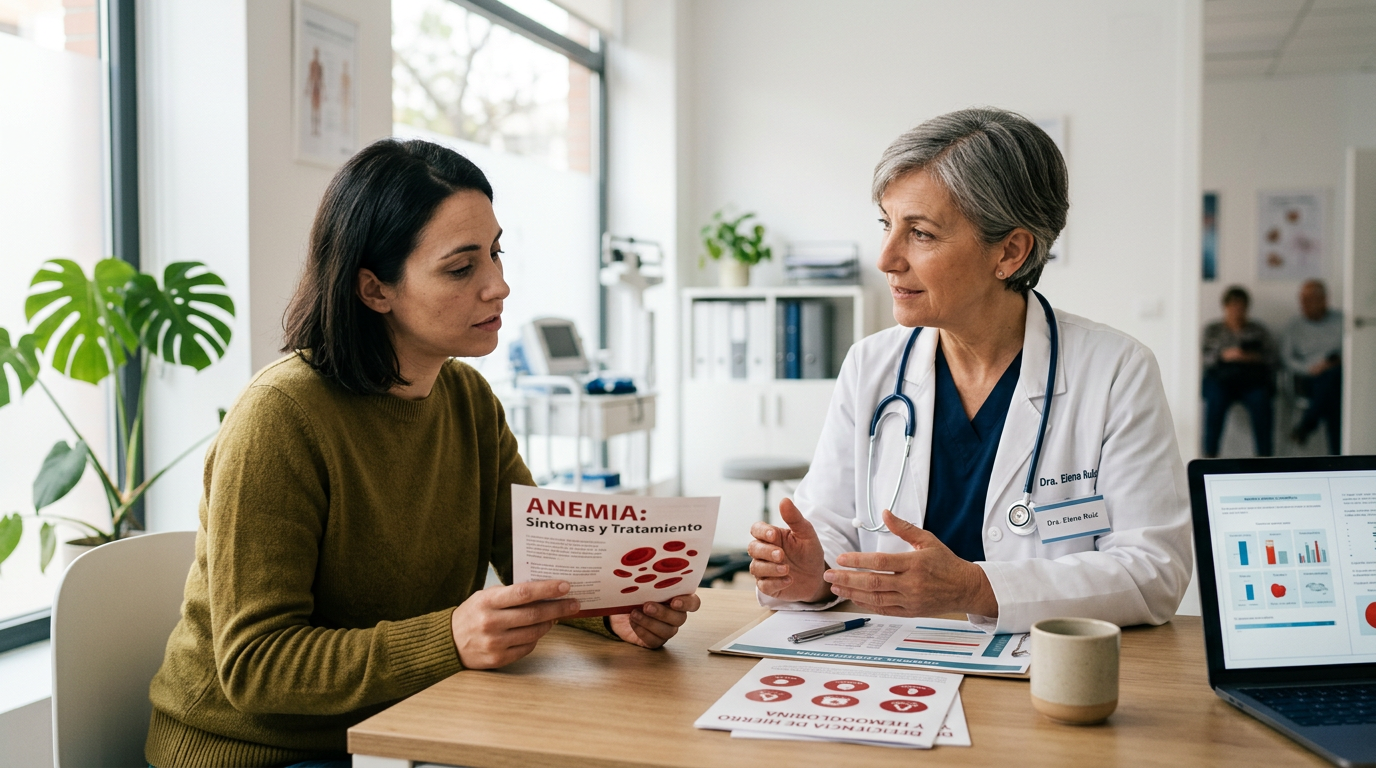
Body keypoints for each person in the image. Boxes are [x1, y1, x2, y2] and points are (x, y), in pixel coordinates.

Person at [144, 139, 700, 767]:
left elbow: (539, 564)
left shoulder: (466, 397)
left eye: (495, 252)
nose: (499, 286)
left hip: (404, 728)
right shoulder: (281, 417)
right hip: (256, 751)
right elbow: (257, 666)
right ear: (375, 289)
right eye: (462, 269)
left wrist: (614, 614)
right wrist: (451, 639)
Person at [745, 108, 1192, 633]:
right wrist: (808, 574)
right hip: (893, 672)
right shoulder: (871, 365)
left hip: (1043, 676)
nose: (886, 258)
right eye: (887, 225)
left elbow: (1154, 570)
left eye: (922, 234)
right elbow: (829, 529)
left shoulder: (1115, 371)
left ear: (1010, 251)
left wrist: (975, 588)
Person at [1201, 286, 1277, 458]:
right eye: (1233, 306)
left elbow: (1272, 359)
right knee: (1215, 403)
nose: (1237, 310)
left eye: (1241, 306)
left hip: (1251, 381)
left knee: (1262, 402)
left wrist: (1251, 357)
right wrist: (1224, 355)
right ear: (1225, 307)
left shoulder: (1258, 330)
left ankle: (1265, 459)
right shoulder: (1213, 330)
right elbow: (1203, 358)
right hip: (1221, 379)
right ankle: (1209, 456)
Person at [1282, 279, 1343, 454]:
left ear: (1324, 299)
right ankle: (1337, 458)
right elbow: (1287, 359)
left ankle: (1307, 425)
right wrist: (1309, 368)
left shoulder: (1341, 321)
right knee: (1333, 396)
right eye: (1302, 299)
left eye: (1309, 299)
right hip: (1307, 379)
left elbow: (1352, 351)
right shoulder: (1294, 326)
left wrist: (1331, 363)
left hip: (1335, 373)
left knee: (1333, 385)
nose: (1304, 304)